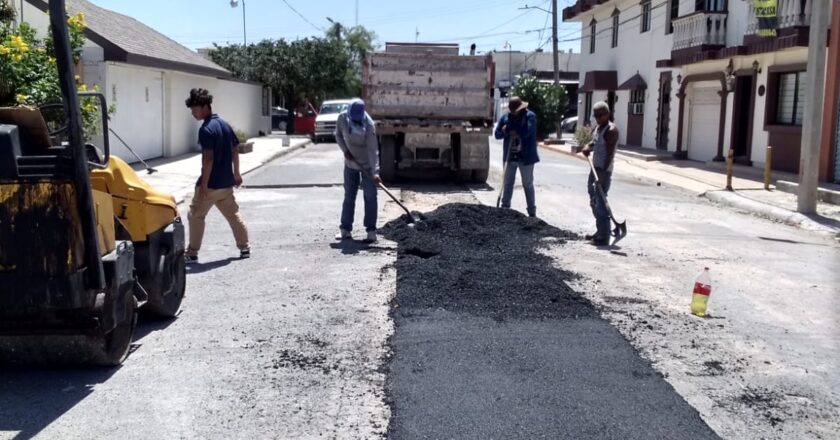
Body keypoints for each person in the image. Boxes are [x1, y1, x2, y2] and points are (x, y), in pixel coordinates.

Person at [183, 88, 250, 263]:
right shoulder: (225, 125)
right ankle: (244, 247)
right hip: (226, 184)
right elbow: (235, 150)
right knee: (233, 215)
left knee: (195, 215)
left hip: (211, 185)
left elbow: (208, 159)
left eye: (195, 109)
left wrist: (204, 184)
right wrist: (236, 174)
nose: (193, 113)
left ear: (205, 107)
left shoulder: (206, 129)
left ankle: (192, 253)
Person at [335, 98, 381, 243]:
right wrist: (345, 150)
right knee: (349, 196)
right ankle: (345, 229)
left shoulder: (369, 126)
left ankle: (371, 231)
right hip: (350, 164)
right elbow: (337, 135)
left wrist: (375, 173)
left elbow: (373, 151)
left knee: (370, 196)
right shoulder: (342, 118)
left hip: (367, 165)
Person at [581, 101, 618, 246]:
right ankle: (600, 230)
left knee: (601, 201)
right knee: (593, 199)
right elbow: (594, 143)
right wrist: (587, 147)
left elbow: (609, 154)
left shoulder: (611, 130)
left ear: (608, 114)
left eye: (601, 115)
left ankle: (604, 235)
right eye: (596, 116)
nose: (598, 118)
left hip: (604, 170)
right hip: (594, 168)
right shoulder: (598, 128)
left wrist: (603, 173)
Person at [494, 96, 539, 217]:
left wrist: (509, 129)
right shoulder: (505, 118)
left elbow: (526, 132)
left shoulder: (530, 117)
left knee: (527, 184)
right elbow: (497, 134)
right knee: (508, 183)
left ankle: (531, 212)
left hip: (526, 158)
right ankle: (505, 209)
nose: (514, 113)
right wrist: (505, 131)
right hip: (510, 157)